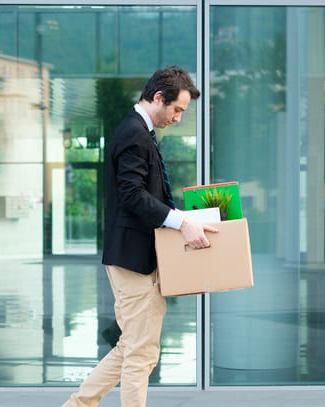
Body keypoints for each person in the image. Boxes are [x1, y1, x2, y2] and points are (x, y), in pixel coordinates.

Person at [62, 66, 218, 407]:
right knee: (141, 354)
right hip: (134, 260)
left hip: (131, 257)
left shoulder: (138, 131)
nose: (178, 118)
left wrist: (184, 217)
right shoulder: (134, 133)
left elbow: (143, 195)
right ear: (158, 98)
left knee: (131, 347)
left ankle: (77, 405)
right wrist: (180, 222)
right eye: (177, 109)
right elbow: (132, 195)